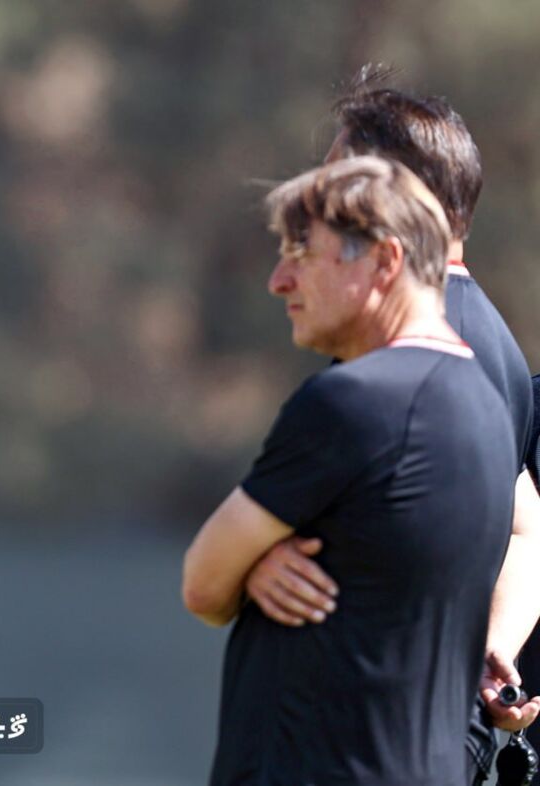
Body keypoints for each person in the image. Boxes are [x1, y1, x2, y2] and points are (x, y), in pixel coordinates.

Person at [241, 75, 540, 782]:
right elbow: (524, 523)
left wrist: (250, 561)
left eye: (337, 185)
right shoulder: (474, 332)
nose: (317, 204)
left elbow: (205, 577)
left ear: (397, 199)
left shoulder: (426, 351)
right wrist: (493, 648)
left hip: (379, 747)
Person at [183, 156, 518, 784]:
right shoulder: (486, 400)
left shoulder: (351, 401)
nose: (279, 281)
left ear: (385, 261)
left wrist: (249, 564)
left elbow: (202, 584)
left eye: (303, 254)